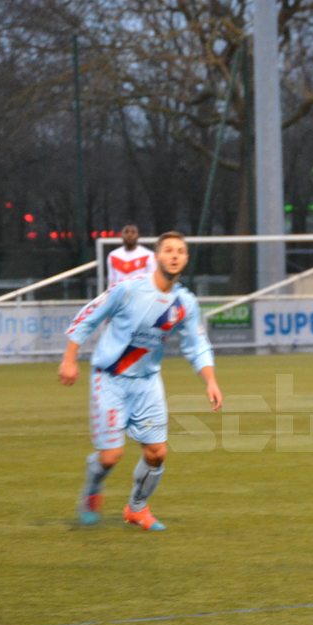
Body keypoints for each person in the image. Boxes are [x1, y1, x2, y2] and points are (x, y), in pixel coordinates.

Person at [59, 231, 222, 531]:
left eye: (180, 251)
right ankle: (93, 489)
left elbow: (197, 345)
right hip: (110, 379)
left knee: (157, 453)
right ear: (156, 257)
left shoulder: (184, 303)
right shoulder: (129, 289)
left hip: (147, 382)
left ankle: (137, 507)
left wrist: (210, 381)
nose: (174, 255)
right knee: (110, 457)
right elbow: (89, 316)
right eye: (168, 250)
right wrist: (70, 359)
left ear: (185, 259)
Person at [106, 224, 155, 288]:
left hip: (140, 295)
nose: (129, 235)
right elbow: (111, 281)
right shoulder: (113, 256)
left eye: (133, 232)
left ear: (138, 235)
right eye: (126, 232)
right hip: (120, 295)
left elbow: (152, 281)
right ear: (122, 235)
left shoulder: (148, 255)